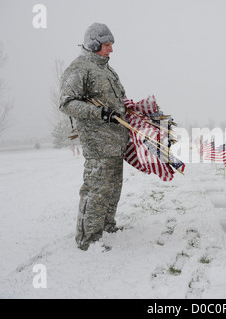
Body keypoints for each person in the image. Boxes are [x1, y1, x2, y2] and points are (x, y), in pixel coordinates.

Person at [59, 23, 129, 250]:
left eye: (111, 45)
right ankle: (88, 238)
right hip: (97, 142)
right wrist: (99, 113)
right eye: (107, 45)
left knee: (112, 188)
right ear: (94, 44)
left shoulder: (107, 70)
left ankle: (107, 226)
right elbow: (67, 103)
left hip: (115, 142)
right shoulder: (80, 68)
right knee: (97, 189)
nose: (111, 49)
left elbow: (119, 101)